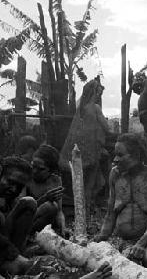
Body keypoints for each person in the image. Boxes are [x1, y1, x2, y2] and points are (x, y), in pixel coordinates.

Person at [94, 133, 147, 271]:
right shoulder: (114, 175)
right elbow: (110, 214)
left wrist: (142, 243)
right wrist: (101, 238)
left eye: (120, 155)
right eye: (115, 154)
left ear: (136, 155)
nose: (115, 159)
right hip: (124, 240)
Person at [61, 77, 113, 212]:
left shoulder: (81, 108)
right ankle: (87, 208)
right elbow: (106, 128)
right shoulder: (95, 108)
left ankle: (88, 206)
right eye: (98, 93)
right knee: (91, 181)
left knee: (88, 180)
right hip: (92, 150)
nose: (99, 95)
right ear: (94, 93)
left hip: (81, 150)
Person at [0, 156, 38, 275]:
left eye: (19, 186)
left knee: (29, 203)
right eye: (10, 182)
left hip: (6, 249)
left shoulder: (12, 199)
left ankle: (14, 261)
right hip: (0, 252)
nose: (13, 189)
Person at [26, 144, 66, 235]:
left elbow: (59, 211)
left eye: (40, 169)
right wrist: (44, 198)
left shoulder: (55, 180)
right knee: (49, 206)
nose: (34, 171)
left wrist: (63, 229)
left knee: (53, 206)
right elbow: (21, 207)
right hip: (25, 221)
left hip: (44, 225)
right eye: (33, 166)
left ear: (51, 170)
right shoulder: (26, 176)